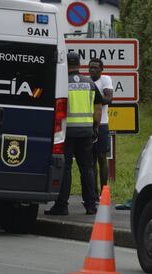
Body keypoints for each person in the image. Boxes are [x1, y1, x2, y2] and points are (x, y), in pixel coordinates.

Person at [44, 52, 103, 216]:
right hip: (86, 132)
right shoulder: (89, 83)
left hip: (67, 133)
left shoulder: (63, 83)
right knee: (87, 168)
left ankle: (62, 205)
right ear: (79, 64)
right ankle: (91, 205)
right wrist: (95, 127)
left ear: (66, 65)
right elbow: (98, 106)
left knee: (66, 168)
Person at [88, 58, 113, 198]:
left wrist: (93, 99)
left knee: (102, 158)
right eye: (91, 67)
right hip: (88, 124)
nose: (93, 70)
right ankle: (93, 193)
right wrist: (99, 98)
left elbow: (109, 99)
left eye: (96, 67)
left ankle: (104, 192)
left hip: (102, 124)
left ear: (101, 69)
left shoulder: (105, 79)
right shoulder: (86, 81)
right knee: (90, 161)